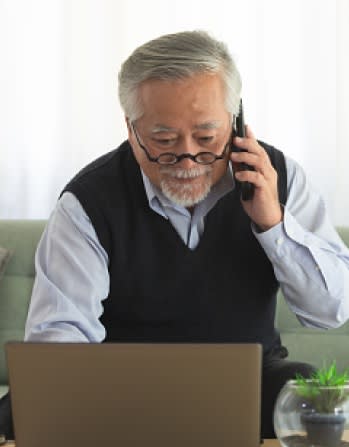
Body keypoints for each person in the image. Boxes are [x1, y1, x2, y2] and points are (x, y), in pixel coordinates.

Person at [1, 30, 349, 440]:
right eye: (163, 141)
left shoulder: (279, 178)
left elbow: (331, 311)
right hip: (117, 388)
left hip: (249, 382)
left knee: (306, 392)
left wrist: (272, 223)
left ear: (236, 120)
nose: (187, 159)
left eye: (206, 138)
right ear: (131, 130)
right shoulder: (87, 201)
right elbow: (59, 342)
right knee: (18, 410)